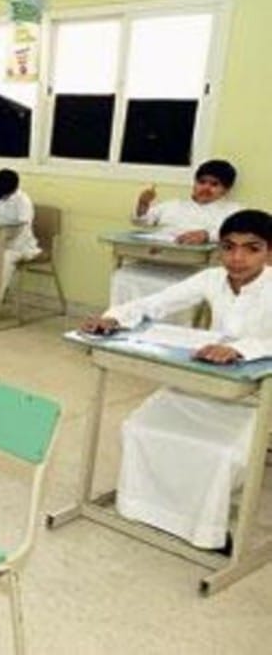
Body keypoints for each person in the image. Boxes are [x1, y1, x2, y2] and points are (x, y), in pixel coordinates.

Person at [81, 209, 271, 549]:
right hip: (207, 379)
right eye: (228, 247)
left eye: (251, 248)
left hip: (258, 393)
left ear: (270, 252)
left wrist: (241, 349)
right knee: (138, 427)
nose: (237, 257)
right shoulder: (212, 279)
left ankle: (205, 530)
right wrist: (115, 318)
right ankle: (145, 509)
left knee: (220, 453)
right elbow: (156, 303)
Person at [112, 159, 242, 316]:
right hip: (158, 260)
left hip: (195, 267)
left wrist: (206, 235)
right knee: (122, 275)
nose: (206, 188)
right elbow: (142, 221)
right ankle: (123, 318)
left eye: (214, 184)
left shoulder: (233, 210)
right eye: (202, 182)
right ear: (195, 183)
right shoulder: (173, 205)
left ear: (225, 190)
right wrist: (143, 204)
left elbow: (238, 234)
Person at [0, 168, 41, 299]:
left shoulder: (23, 202)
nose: (0, 198)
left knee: (1, 261)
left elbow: (23, 230)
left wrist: (3, 244)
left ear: (12, 191)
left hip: (17, 245)